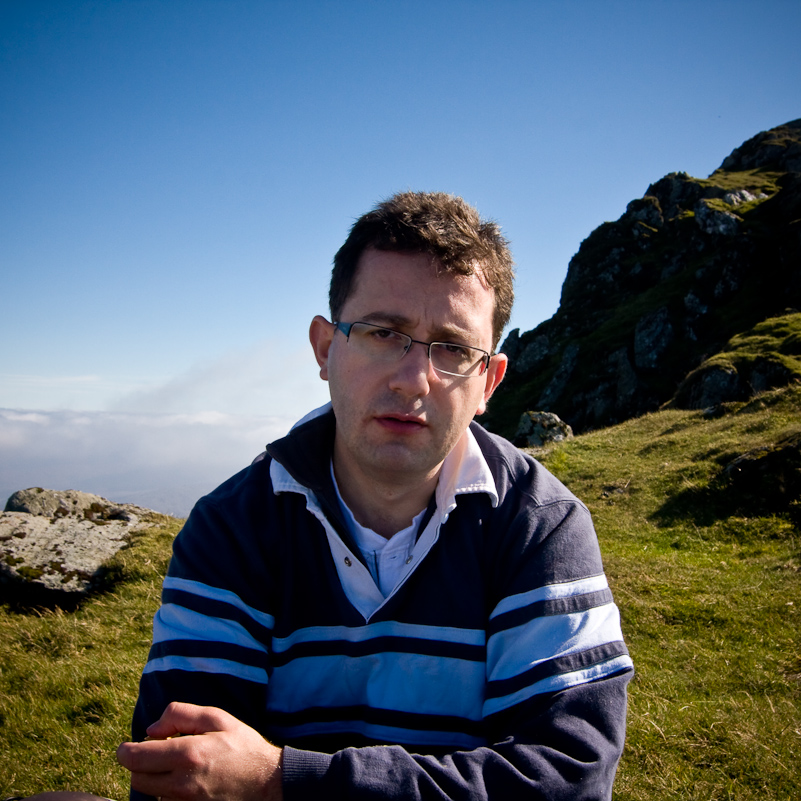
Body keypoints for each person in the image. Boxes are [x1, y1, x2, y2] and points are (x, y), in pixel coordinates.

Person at [117, 191, 634, 801]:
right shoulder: (232, 527)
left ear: (488, 381)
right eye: (384, 332)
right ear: (325, 348)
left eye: (453, 348)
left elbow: (567, 783)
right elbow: (182, 774)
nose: (415, 378)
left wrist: (279, 779)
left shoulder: (540, 528)